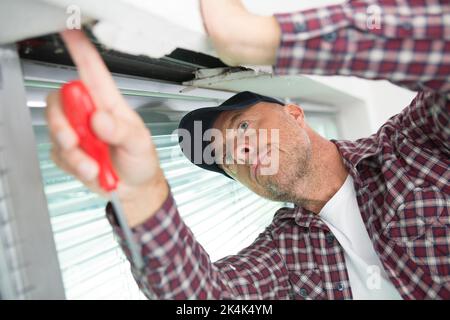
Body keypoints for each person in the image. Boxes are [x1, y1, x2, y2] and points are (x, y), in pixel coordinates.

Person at [46, 0, 449, 299]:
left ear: (294, 113)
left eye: (241, 127)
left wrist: (264, 40)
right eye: (227, 157)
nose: (239, 151)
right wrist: (141, 193)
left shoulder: (412, 145)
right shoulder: (285, 252)